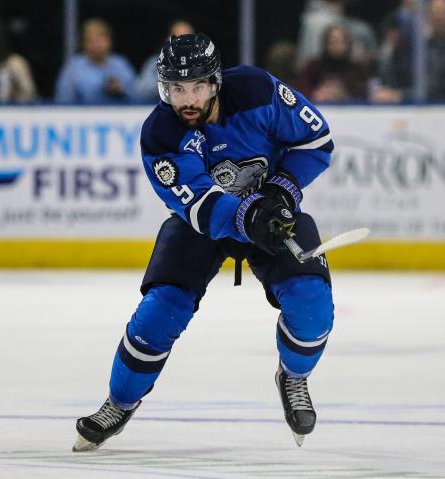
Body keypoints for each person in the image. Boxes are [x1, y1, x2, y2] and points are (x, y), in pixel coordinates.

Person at [72, 33, 335, 451]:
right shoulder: (161, 132)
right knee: (161, 310)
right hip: (206, 225)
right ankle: (119, 403)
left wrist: (282, 192)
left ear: (215, 83)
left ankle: (294, 376)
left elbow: (316, 141)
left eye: (196, 87)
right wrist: (250, 216)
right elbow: (200, 206)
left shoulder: (256, 89)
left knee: (311, 301)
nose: (187, 99)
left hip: (269, 207)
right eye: (177, 88)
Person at [55, 18, 136, 104]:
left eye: (100, 40)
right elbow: (62, 102)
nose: (97, 45)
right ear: (84, 44)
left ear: (109, 41)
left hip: (120, 114)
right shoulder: (73, 68)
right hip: (84, 115)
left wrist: (121, 91)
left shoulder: (121, 64)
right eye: (91, 41)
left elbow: (138, 97)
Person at [296, 24, 370, 102]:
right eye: (332, 41)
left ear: (348, 44)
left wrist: (346, 94)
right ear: (325, 44)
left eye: (340, 41)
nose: (336, 45)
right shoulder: (313, 66)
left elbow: (365, 93)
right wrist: (315, 93)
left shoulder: (357, 69)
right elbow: (299, 89)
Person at [297, 0, 377, 70]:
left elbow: (374, 61)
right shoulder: (315, 23)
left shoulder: (362, 28)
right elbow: (308, 64)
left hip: (352, 78)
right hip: (322, 79)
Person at [135, 20, 195, 103]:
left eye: (187, 38)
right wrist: (167, 80)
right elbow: (139, 91)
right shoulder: (155, 62)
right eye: (178, 38)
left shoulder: (204, 63)